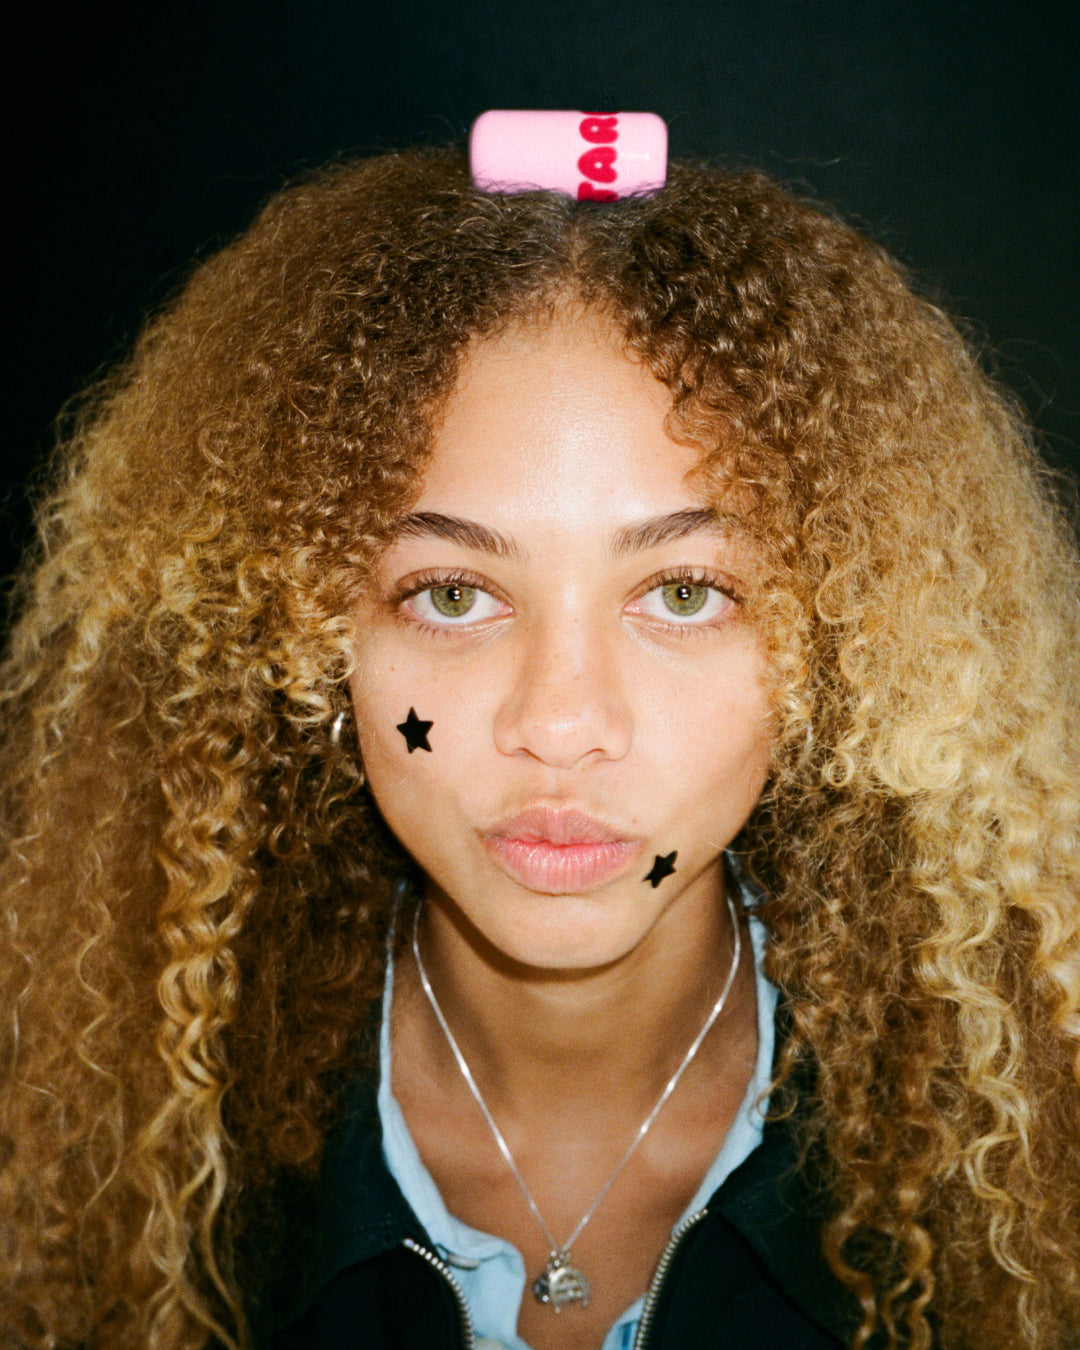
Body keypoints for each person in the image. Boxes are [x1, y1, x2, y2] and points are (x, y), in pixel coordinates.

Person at [1, 148, 1078, 1350]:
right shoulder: (108, 1139)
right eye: (453, 595)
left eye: (684, 593)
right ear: (303, 637)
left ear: (855, 645)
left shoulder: (1029, 1167)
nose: (561, 726)